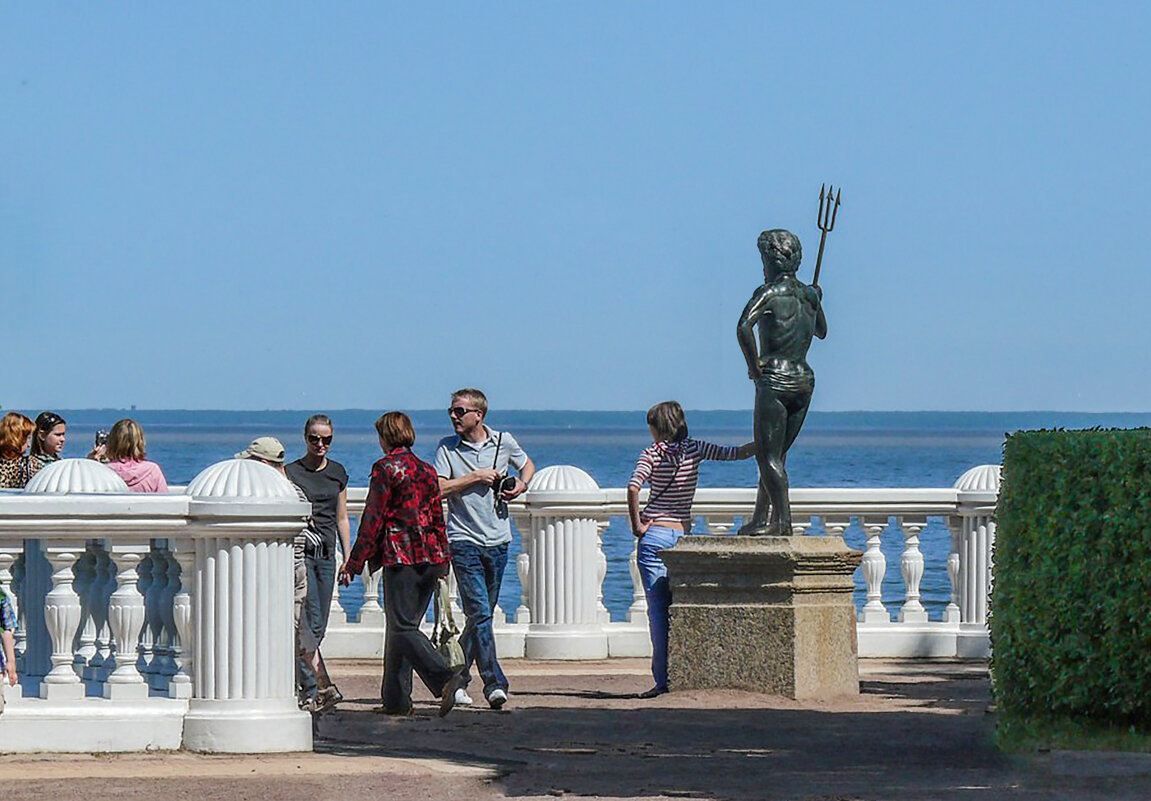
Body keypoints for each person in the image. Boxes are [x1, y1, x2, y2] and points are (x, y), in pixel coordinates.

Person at [338, 412, 463, 717]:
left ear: (385, 437)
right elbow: (437, 518)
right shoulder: (427, 470)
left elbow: (372, 520)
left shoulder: (385, 469)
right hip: (431, 556)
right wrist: (444, 559)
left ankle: (445, 678)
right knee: (400, 628)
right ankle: (396, 701)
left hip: (402, 556)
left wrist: (353, 564)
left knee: (403, 628)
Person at [627, 400, 754, 698]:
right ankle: (687, 673)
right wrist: (764, 442)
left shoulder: (652, 453)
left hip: (655, 536)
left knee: (658, 611)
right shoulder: (695, 449)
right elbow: (735, 454)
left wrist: (637, 525)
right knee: (684, 607)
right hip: (682, 536)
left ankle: (663, 681)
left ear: (657, 428)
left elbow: (633, 486)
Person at [434, 388, 534, 710]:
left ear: (479, 415)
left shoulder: (504, 442)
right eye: (451, 411)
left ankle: (457, 679)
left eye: (460, 411)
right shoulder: (447, 449)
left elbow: (527, 466)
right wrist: (475, 477)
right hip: (463, 540)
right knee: (478, 612)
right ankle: (494, 683)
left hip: (499, 540)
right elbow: (438, 488)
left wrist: (520, 485)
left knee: (482, 617)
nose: (453, 416)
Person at [235, 436, 341, 712]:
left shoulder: (271, 492)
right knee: (301, 631)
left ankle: (307, 689)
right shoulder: (296, 491)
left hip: (279, 571)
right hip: (298, 570)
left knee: (287, 632)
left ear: (263, 463)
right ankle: (323, 687)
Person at [736, 228, 827, 536]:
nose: (762, 266)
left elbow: (743, 328)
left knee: (768, 455)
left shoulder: (769, 293)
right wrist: (818, 298)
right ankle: (762, 517)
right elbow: (821, 331)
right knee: (777, 453)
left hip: (775, 378)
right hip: (803, 379)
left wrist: (754, 367)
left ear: (773, 261)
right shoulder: (809, 295)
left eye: (764, 259)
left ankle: (782, 523)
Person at [284, 414, 350, 703]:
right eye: (314, 439)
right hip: (301, 554)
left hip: (327, 554)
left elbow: (343, 517)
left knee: (319, 625)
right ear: (305, 438)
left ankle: (307, 683)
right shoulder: (290, 473)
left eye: (326, 439)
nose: (320, 444)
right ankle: (313, 689)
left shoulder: (337, 472)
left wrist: (349, 557)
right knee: (307, 620)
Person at [104, 419, 168, 493]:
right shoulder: (152, 471)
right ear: (140, 442)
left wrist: (92, 463)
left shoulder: (103, 472)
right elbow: (165, 500)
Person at [0, 412, 35, 489]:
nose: (29, 445)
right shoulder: (30, 465)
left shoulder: (30, 464)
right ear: (16, 438)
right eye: (27, 438)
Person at [27, 411, 66, 478]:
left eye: (63, 434)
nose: (63, 439)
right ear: (42, 435)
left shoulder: (62, 463)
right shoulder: (30, 465)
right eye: (58, 435)